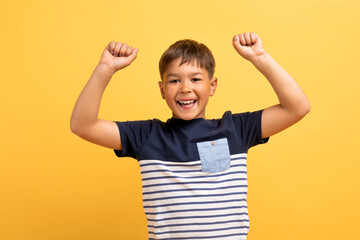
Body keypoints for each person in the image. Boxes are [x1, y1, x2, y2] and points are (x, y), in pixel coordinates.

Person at [70, 32, 310, 239]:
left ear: (212, 86)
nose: (185, 88)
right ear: (163, 89)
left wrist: (261, 58)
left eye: (195, 79)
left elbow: (297, 107)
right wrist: (105, 69)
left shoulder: (236, 129)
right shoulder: (146, 136)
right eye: (174, 80)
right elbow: (83, 125)